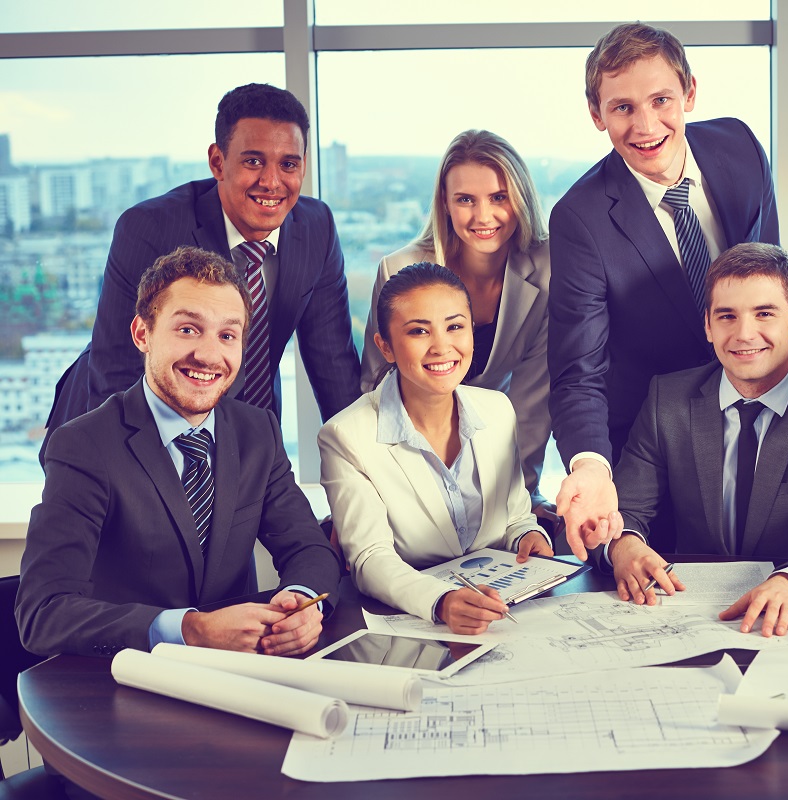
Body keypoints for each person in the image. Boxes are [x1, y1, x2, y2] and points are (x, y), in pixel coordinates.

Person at [17, 246, 341, 658]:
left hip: (238, 675)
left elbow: (307, 546)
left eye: (227, 335)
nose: (208, 355)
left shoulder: (257, 432)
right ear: (142, 334)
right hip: (124, 684)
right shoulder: (83, 446)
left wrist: (303, 602)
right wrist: (188, 629)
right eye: (187, 329)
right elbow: (42, 613)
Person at [549, 22, 780, 558]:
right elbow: (578, 368)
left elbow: (771, 276)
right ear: (596, 114)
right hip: (655, 441)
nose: (646, 124)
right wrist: (589, 465)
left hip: (763, 417)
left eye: (661, 100)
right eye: (622, 107)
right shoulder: (580, 219)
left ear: (690, 93)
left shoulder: (740, 148)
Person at [43, 83, 360, 459]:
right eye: (253, 161)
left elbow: (334, 367)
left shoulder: (316, 227)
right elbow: (116, 372)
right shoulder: (150, 229)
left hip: (247, 429)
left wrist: (363, 479)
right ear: (217, 162)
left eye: (288, 164)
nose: (272, 182)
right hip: (117, 432)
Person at [608, 243, 788, 636]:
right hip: (682, 614)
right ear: (708, 325)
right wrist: (625, 546)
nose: (744, 334)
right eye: (727, 316)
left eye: (764, 314)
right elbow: (625, 510)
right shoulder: (665, 401)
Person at [319, 264, 553, 635]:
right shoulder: (345, 436)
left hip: (504, 611)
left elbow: (515, 517)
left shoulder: (497, 409)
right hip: (417, 622)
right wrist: (440, 601)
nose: (442, 346)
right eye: (418, 331)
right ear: (386, 347)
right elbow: (370, 558)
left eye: (455, 326)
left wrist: (529, 537)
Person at [361, 130, 553, 515]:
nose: (483, 216)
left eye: (499, 197)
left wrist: (521, 501)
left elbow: (532, 403)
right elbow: (376, 386)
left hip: (494, 442)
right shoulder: (399, 269)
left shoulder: (550, 270)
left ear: (521, 198)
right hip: (412, 450)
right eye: (465, 200)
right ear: (445, 204)